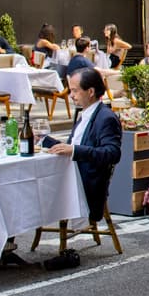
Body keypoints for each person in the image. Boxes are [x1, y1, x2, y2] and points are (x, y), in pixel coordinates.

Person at [45, 68, 122, 228]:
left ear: (91, 91)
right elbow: (71, 147)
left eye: (75, 91)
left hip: (87, 182)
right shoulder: (87, 113)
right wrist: (44, 140)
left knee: (30, 190)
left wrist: (74, 150)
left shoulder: (105, 117)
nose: (71, 95)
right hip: (73, 175)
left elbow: (113, 153)